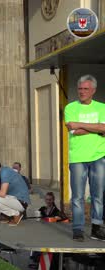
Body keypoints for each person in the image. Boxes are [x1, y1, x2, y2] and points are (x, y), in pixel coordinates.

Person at [64, 75, 105, 241]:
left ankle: (96, 228)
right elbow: (73, 130)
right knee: (78, 196)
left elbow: (104, 128)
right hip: (78, 158)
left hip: (99, 156)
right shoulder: (70, 108)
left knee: (98, 195)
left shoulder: (102, 107)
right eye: (80, 88)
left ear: (93, 91)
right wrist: (97, 128)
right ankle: (78, 229)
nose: (82, 92)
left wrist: (81, 124)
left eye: (86, 89)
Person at [0, 158, 30, 226]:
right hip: (13, 200)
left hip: (21, 202)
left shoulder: (5, 172)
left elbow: (2, 193)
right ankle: (15, 215)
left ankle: (15, 214)